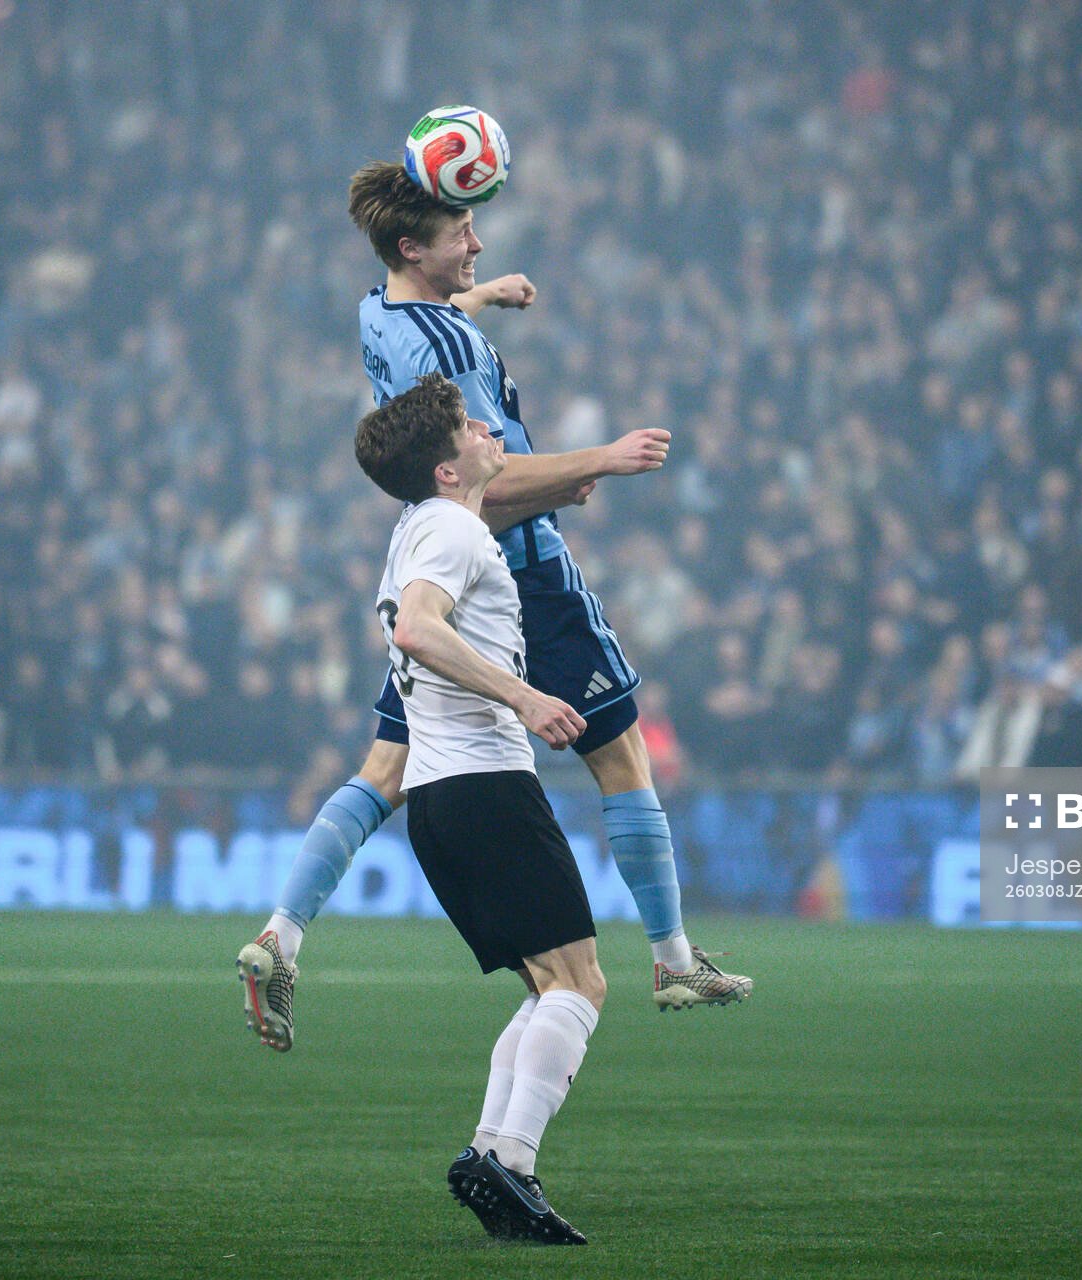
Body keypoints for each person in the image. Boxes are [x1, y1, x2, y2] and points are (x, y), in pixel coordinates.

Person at [237, 156, 749, 1051]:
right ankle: (671, 959)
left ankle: (281, 934)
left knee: (386, 770)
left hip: (429, 555)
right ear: (412, 246)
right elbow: (498, 476)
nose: (476, 242)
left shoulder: (381, 309)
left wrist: (485, 292)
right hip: (513, 571)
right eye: (460, 236)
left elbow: (431, 325)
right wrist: (601, 458)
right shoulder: (449, 353)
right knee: (621, 755)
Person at [295, 373, 597, 1241]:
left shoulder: (421, 527)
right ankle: (509, 1162)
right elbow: (418, 630)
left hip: (441, 795)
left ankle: (498, 1161)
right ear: (446, 470)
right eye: (472, 427)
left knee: (548, 987)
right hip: (482, 786)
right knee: (580, 982)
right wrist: (526, 698)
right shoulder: (449, 530)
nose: (489, 430)